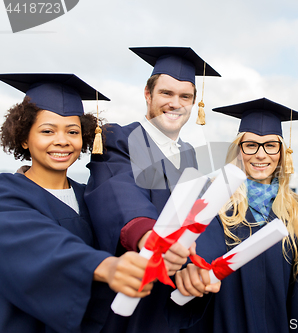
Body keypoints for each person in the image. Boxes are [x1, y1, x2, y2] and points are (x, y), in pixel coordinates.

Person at [0, 73, 156, 333]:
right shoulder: (7, 192)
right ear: (25, 138)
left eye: (72, 131)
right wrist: (101, 266)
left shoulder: (91, 197)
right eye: (47, 131)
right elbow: (36, 242)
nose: (62, 140)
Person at [84, 47, 220, 332]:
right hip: (130, 297)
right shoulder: (118, 138)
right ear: (147, 94)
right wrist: (150, 236)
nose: (175, 103)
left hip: (173, 298)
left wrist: (198, 264)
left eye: (185, 97)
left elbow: (200, 219)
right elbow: (116, 189)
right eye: (166, 94)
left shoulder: (190, 157)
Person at [169, 98, 298, 333]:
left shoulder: (297, 212)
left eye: (270, 145)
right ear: (238, 150)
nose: (260, 154)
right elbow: (190, 254)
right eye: (251, 145)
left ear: (282, 152)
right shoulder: (213, 200)